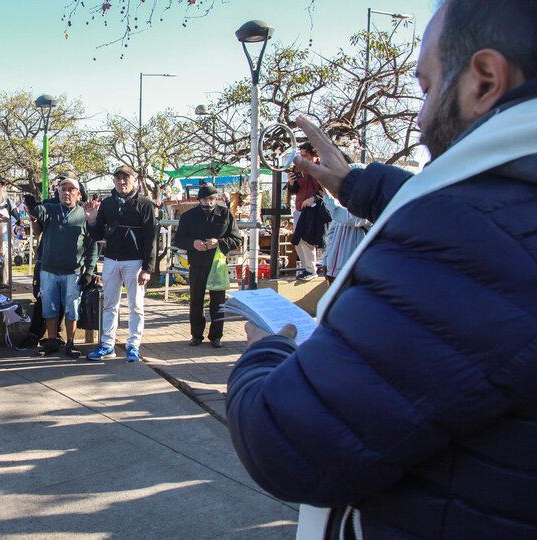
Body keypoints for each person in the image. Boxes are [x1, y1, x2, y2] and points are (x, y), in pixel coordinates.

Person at [226, 0, 537, 536]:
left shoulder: (467, 240)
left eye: (426, 85)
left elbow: (291, 442)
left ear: (484, 80)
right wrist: (358, 185)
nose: (419, 117)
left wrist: (265, 352)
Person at [83, 165, 157, 363]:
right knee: (109, 305)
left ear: (134, 181)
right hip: (111, 260)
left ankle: (133, 345)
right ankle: (107, 345)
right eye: (118, 178)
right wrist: (91, 221)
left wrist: (148, 268)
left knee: (136, 306)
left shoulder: (145, 204)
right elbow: (98, 234)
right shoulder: (107, 204)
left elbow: (151, 238)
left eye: (126, 178)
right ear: (114, 181)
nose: (122, 182)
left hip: (135, 262)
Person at [28, 175, 98, 358]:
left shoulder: (84, 214)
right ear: (58, 191)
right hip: (48, 270)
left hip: (73, 272)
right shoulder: (50, 209)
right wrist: (33, 211)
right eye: (63, 189)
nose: (67, 193)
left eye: (71, 190)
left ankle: (70, 344)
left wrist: (89, 272)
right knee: (49, 308)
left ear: (78, 193)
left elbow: (93, 246)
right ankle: (51, 342)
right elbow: (39, 215)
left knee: (72, 310)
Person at [173, 183, 242, 348]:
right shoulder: (189, 216)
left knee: (218, 301)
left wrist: (218, 242)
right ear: (199, 200)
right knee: (196, 300)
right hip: (197, 263)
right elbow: (179, 239)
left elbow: (236, 239)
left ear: (216, 198)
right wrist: (193, 243)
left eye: (211, 199)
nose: (208, 202)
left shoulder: (225, 214)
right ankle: (196, 335)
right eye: (205, 199)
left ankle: (216, 336)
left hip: (217, 264)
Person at [287, 142, 323, 280]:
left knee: (313, 240)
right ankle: (309, 268)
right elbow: (293, 190)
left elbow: (327, 189)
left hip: (318, 209)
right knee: (299, 240)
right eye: (301, 156)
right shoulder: (297, 167)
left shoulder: (321, 167)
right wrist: (291, 182)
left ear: (314, 155)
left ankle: (314, 268)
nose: (303, 159)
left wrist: (314, 198)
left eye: (306, 156)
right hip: (301, 208)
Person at [320, 193, 369, 284]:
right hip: (334, 272)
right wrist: (326, 261)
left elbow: (350, 219)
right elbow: (330, 238)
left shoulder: (370, 209)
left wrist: (327, 196)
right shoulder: (340, 210)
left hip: (354, 273)